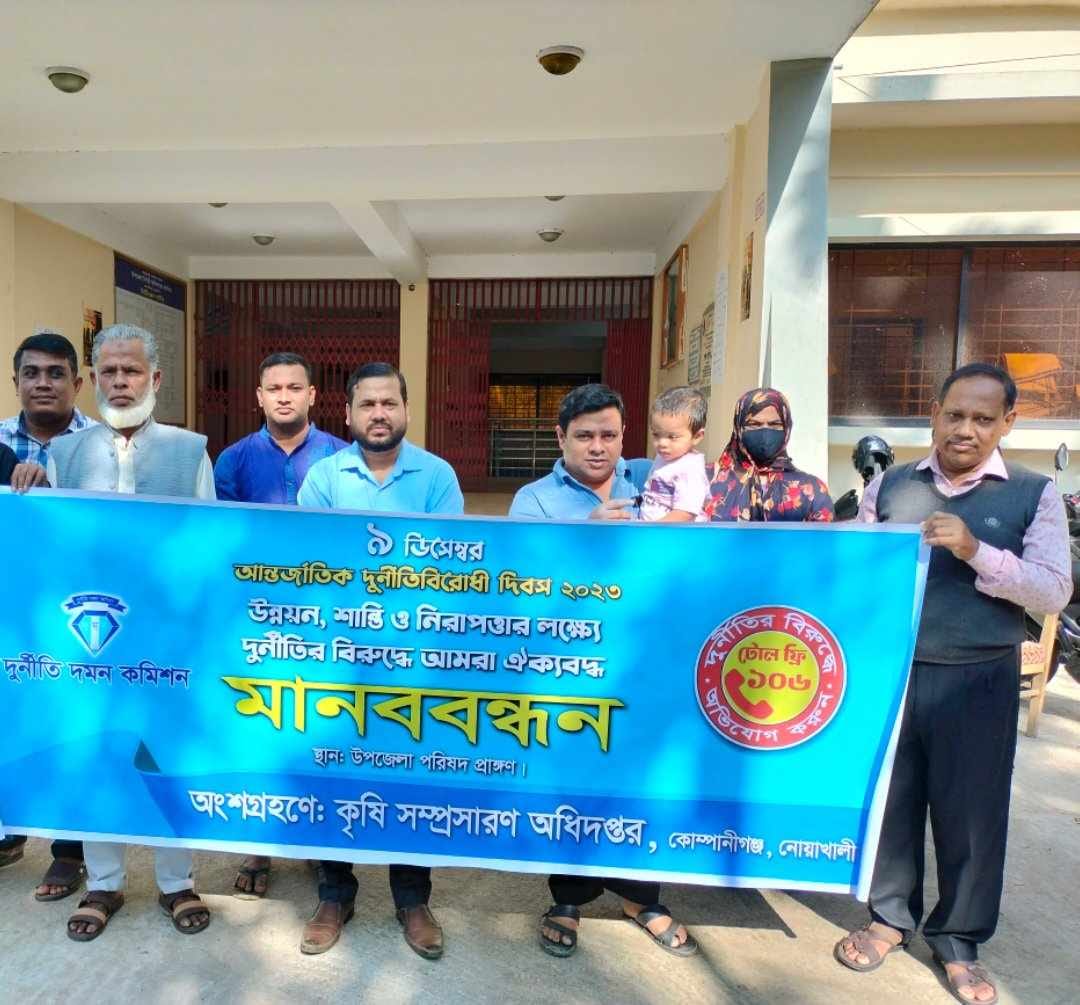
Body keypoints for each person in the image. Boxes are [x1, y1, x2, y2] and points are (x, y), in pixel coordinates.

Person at [834, 363, 1070, 1005]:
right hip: (895, 672)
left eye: (984, 419)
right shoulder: (890, 485)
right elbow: (854, 568)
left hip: (979, 675)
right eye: (955, 414)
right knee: (893, 803)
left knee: (971, 814)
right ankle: (889, 918)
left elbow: (1053, 590)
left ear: (1007, 424)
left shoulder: (1034, 494)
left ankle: (959, 939)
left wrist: (975, 551)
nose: (966, 429)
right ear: (934, 414)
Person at [510, 383, 698, 959]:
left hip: (648, 662)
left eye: (609, 435)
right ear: (560, 437)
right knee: (577, 780)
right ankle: (568, 898)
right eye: (585, 436)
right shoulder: (534, 501)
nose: (598, 447)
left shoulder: (653, 477)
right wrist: (582, 541)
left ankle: (642, 897)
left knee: (646, 779)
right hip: (574, 670)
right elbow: (518, 585)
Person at [42, 323, 215, 941]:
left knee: (164, 754)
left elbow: (205, 547)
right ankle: (105, 883)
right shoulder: (63, 455)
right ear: (94, 379)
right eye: (110, 372)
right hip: (92, 639)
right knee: (100, 752)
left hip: (167, 639)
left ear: (155, 378)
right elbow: (53, 547)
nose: (120, 382)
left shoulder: (191, 452)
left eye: (132, 371)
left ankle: (177, 882)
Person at [297, 361, 462, 960]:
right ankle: (334, 894)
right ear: (347, 413)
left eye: (389, 403)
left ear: (406, 409)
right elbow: (311, 565)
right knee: (332, 766)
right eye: (367, 404)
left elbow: (452, 567)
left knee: (411, 770)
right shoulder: (322, 477)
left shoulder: (437, 476)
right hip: (338, 651)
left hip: (415, 654)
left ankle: (412, 900)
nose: (379, 414)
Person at [213, 351, 347, 899]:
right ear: (260, 397)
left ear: (313, 395)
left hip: (325, 616)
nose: (285, 396)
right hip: (255, 617)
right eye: (275, 388)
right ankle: (258, 842)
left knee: (317, 722)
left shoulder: (341, 458)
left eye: (295, 387)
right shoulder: (233, 460)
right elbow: (223, 541)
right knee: (259, 723)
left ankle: (315, 835)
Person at [0, 329, 92, 898]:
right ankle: (9, 829)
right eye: (31, 373)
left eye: (56, 373)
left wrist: (52, 487)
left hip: (78, 618)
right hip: (10, 615)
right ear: (15, 381)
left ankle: (68, 850)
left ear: (76, 384)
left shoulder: (101, 447)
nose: (43, 383)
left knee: (71, 730)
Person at [703, 387, 833, 522]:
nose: (765, 432)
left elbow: (822, 534)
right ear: (738, 428)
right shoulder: (704, 479)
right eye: (754, 424)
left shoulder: (812, 490)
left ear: (787, 429)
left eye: (775, 425)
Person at [638, 385, 710, 522]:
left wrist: (653, 530)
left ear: (697, 436)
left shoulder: (690, 470)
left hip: (674, 533)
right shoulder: (665, 457)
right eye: (656, 434)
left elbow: (685, 513)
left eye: (673, 437)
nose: (662, 443)